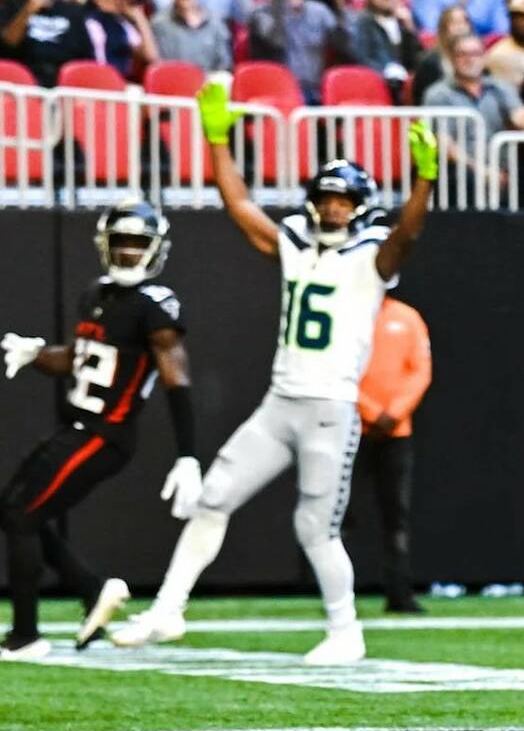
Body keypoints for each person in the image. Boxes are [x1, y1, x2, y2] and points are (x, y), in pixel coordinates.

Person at [111, 85, 439, 664]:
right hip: (280, 402)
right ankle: (167, 610)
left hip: (329, 409)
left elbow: (407, 235)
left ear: (360, 207)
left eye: (343, 201)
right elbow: (240, 208)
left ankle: (345, 631)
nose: (333, 209)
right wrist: (216, 139)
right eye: (327, 199)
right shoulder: (294, 242)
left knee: (315, 528)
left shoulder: (372, 254)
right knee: (213, 498)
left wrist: (424, 181)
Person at [0, 203, 195, 659]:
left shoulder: (155, 307)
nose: (128, 252)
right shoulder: (96, 293)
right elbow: (78, 359)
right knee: (9, 509)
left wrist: (188, 455)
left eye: (138, 243)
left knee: (22, 514)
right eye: (121, 242)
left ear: (156, 249)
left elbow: (177, 381)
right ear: (104, 244)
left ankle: (26, 635)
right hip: (79, 427)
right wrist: (38, 355)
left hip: (105, 434)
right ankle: (91, 589)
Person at [356, 295, 432, 615]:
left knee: (396, 516)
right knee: (341, 515)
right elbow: (337, 371)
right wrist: (371, 412)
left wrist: (394, 412)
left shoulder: (407, 317)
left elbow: (420, 371)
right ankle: (339, 595)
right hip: (352, 429)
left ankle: (399, 593)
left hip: (396, 433)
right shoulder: (348, 314)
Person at [247, 0, 336, 103]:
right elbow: (276, 41)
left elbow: (345, 46)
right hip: (274, 92)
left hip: (313, 91)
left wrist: (339, 4)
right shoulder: (261, 14)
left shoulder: (319, 11)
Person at [151, 0, 233, 72]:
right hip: (174, 79)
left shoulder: (215, 23)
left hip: (210, 79)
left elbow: (224, 64)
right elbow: (157, 63)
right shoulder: (159, 23)